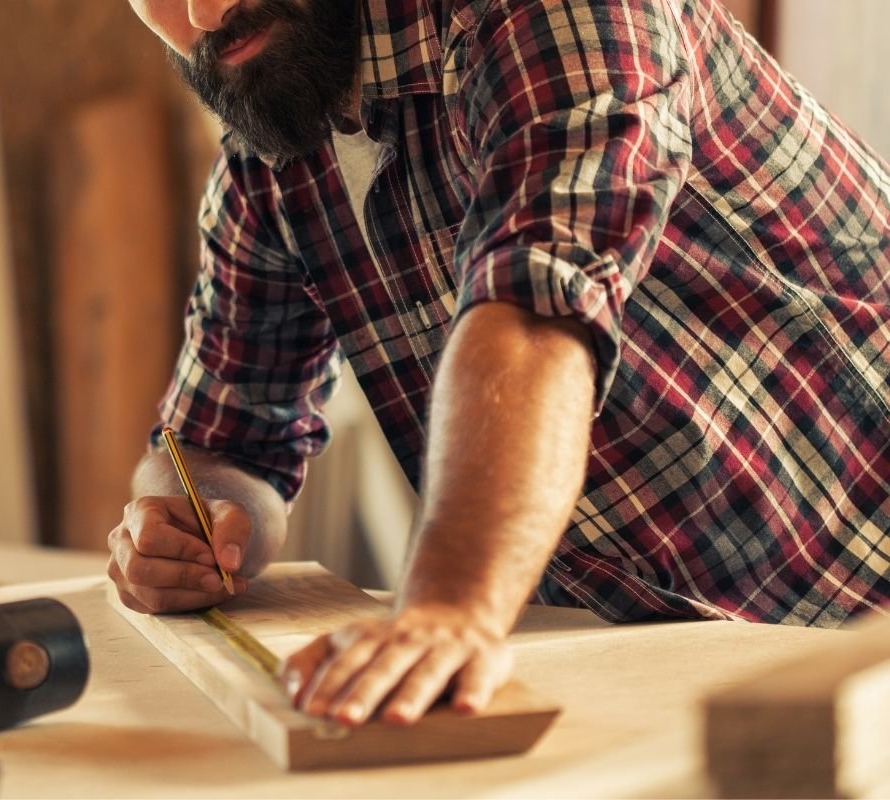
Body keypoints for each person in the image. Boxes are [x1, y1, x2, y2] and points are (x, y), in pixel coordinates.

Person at [109, 0, 890, 728]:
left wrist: (450, 608)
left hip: (863, 598)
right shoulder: (269, 158)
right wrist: (188, 524)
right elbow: (220, 442)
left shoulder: (547, 12)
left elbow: (535, 309)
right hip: (686, 668)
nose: (205, 10)